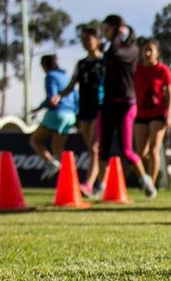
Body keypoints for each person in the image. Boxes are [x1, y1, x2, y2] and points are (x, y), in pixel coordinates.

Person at [95, 14, 157, 199]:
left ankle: (146, 180)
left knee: (127, 150)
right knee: (103, 148)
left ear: (116, 29)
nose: (105, 33)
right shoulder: (111, 49)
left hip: (126, 104)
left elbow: (115, 53)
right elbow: (108, 57)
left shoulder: (132, 49)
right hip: (108, 103)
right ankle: (101, 186)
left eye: (107, 29)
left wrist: (120, 35)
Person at [51, 28, 103, 196]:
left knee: (95, 148)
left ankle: (89, 184)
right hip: (84, 108)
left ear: (97, 40)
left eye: (89, 39)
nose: (86, 43)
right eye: (83, 40)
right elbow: (72, 85)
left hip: (100, 108)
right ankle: (102, 183)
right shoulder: (81, 64)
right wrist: (60, 95)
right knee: (92, 148)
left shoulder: (104, 62)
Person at [29, 54, 77, 181]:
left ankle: (51, 163)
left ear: (45, 66)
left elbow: (52, 98)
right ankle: (68, 181)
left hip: (57, 113)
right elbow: (75, 96)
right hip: (70, 115)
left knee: (35, 140)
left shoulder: (50, 76)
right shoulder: (66, 77)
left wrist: (40, 107)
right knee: (58, 150)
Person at [134, 39, 171, 187]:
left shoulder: (163, 70)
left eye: (151, 50)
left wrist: (169, 114)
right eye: (145, 50)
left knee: (154, 149)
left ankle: (151, 183)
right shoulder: (137, 70)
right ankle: (144, 178)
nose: (148, 53)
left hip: (158, 113)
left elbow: (170, 94)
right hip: (140, 114)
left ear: (157, 53)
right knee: (140, 153)